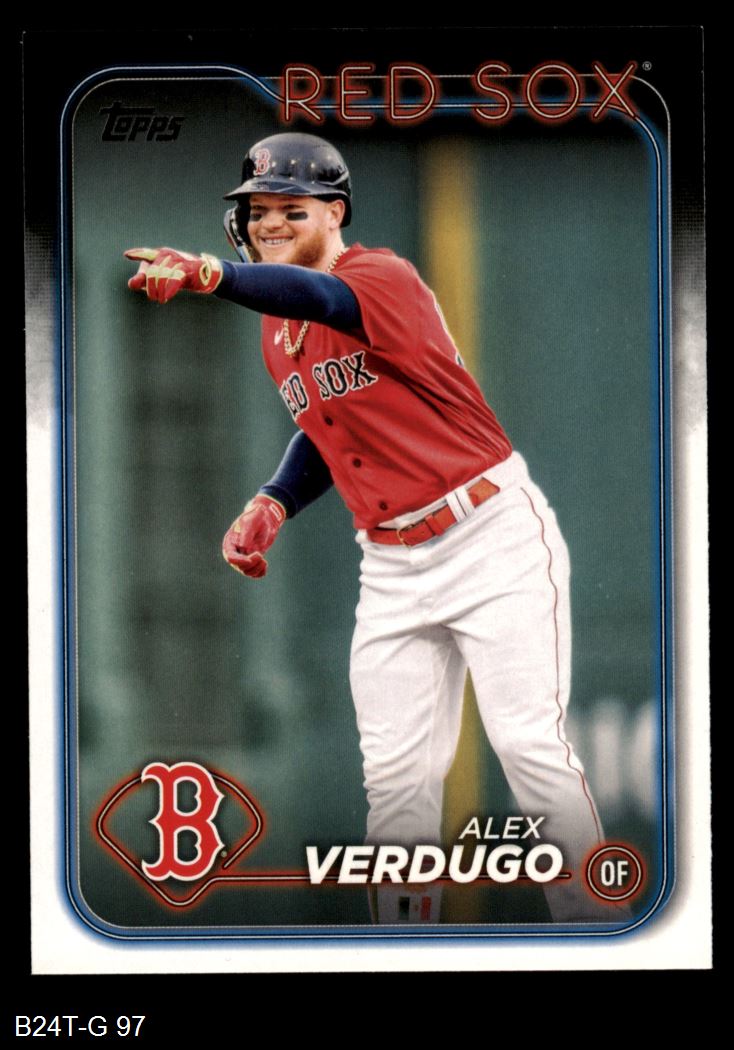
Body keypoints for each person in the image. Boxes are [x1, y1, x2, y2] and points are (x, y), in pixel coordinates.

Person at [125, 131, 618, 925]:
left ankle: (596, 934)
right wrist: (274, 499)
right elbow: (329, 424)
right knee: (395, 783)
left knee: (527, 745)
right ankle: (404, 947)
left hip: (487, 534)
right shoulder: (276, 325)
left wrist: (212, 274)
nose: (269, 223)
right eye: (257, 210)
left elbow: (319, 298)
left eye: (293, 209)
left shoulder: (378, 277)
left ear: (336, 213)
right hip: (390, 564)